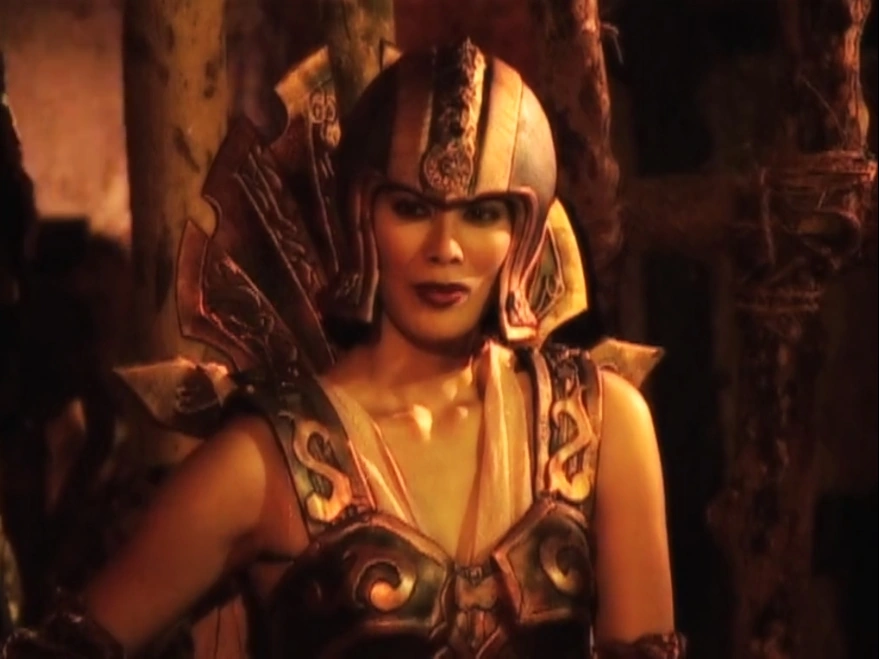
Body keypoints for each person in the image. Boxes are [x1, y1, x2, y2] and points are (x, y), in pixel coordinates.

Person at [2, 39, 684, 658]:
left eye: (482, 213)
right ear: (362, 216)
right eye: (411, 207)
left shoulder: (601, 424)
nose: (445, 247)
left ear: (524, 232)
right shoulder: (266, 460)